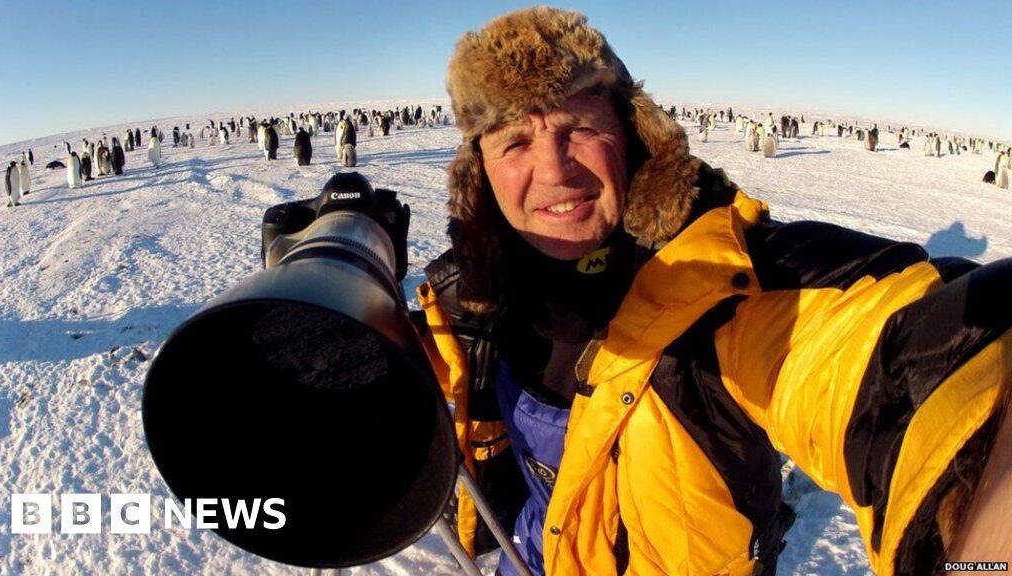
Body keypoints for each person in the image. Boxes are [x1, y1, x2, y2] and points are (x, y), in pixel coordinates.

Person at [412, 7, 1011, 576]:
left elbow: (895, 357)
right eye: (515, 142)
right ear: (479, 170)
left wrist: (982, 510)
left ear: (632, 136)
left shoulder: (725, 288)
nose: (554, 169)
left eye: (580, 128)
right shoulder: (475, 298)